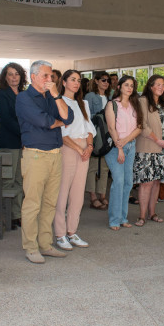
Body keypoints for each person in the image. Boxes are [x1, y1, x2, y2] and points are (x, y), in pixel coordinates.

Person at [16, 60, 74, 263]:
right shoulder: (24, 98)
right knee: (33, 203)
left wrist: (57, 96)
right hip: (36, 155)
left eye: (52, 77)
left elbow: (69, 117)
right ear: (33, 77)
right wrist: (57, 122)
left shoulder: (52, 96)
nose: (50, 80)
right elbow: (45, 121)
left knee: (50, 202)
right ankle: (31, 247)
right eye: (45, 76)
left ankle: (45, 244)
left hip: (55, 154)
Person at [54, 70, 96, 249]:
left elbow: (89, 128)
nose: (76, 83)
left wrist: (90, 147)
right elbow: (61, 132)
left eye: (78, 80)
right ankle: (60, 234)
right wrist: (80, 148)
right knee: (62, 192)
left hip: (84, 149)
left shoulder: (83, 103)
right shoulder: (58, 102)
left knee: (78, 194)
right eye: (72, 79)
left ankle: (72, 231)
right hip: (68, 148)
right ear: (63, 82)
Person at [134, 75, 164, 225]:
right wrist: (157, 140)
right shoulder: (142, 101)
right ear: (150, 86)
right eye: (157, 84)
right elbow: (143, 125)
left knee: (157, 182)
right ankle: (142, 216)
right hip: (148, 148)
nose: (161, 87)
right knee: (146, 182)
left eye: (163, 85)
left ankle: (152, 213)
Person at [104, 75, 142, 230]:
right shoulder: (112, 105)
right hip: (115, 148)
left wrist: (126, 142)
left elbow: (139, 127)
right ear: (119, 87)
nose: (129, 88)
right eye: (126, 85)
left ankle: (123, 217)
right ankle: (114, 219)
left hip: (130, 146)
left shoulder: (135, 105)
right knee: (118, 181)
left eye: (132, 85)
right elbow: (112, 128)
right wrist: (120, 147)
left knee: (128, 183)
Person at [0, 62, 26, 228]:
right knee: (7, 180)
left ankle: (17, 215)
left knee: (20, 180)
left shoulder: (25, 94)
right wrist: (26, 134)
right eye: (10, 74)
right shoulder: (0, 94)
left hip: (24, 144)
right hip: (9, 142)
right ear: (5, 77)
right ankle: (5, 216)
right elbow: (5, 119)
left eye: (17, 74)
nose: (14, 77)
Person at [83, 71, 111, 209]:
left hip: (107, 134)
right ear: (96, 81)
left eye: (107, 80)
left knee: (104, 167)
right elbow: (85, 115)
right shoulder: (90, 96)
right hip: (94, 134)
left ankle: (102, 194)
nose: (106, 83)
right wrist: (100, 116)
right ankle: (93, 196)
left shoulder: (110, 96)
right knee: (93, 167)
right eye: (103, 80)